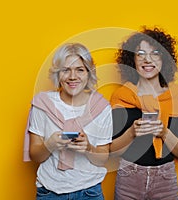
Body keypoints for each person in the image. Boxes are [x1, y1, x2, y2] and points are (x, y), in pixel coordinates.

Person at [109, 26, 178, 199]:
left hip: (165, 180)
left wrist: (163, 132)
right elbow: (112, 150)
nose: (147, 59)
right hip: (128, 178)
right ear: (132, 60)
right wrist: (131, 133)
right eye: (140, 53)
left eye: (155, 53)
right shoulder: (122, 96)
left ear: (164, 59)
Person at [23, 43, 113, 200]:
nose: (73, 77)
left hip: (89, 192)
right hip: (50, 192)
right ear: (58, 74)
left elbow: (103, 158)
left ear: (88, 73)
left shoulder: (102, 107)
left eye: (80, 70)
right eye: (66, 70)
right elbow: (35, 155)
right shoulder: (42, 104)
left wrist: (88, 148)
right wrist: (50, 144)